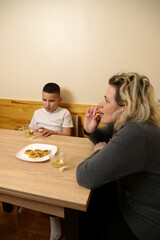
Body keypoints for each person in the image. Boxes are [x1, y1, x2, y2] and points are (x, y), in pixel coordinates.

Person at [76, 72, 160, 240]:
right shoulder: (134, 123)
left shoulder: (135, 133)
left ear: (125, 106)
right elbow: (104, 138)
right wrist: (90, 130)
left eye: (107, 100)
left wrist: (100, 151)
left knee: (81, 213)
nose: (100, 104)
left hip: (142, 223)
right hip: (128, 202)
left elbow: (85, 175)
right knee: (90, 202)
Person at [29, 82, 73, 240]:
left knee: (52, 184)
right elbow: (31, 131)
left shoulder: (64, 113)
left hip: (57, 152)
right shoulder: (37, 113)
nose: (47, 104)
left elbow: (69, 137)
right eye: (44, 100)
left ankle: (54, 218)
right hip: (39, 148)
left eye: (51, 101)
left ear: (60, 99)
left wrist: (52, 133)